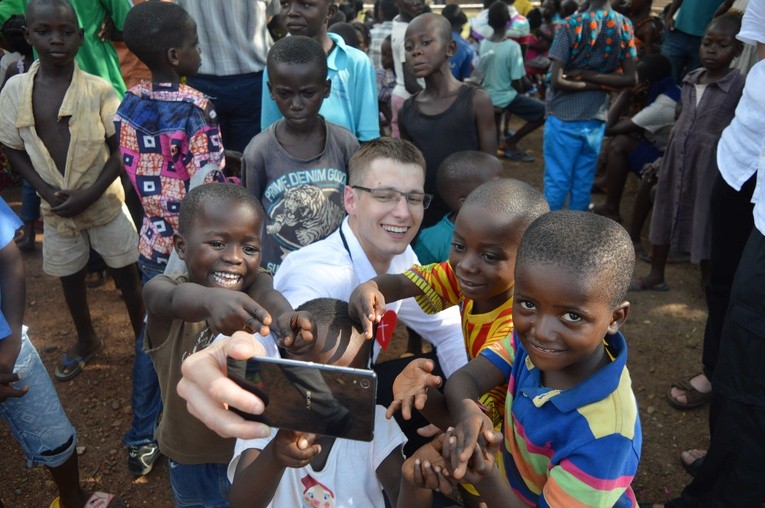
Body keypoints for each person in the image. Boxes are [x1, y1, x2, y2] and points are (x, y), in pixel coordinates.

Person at [176, 138, 469, 457]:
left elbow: (450, 329)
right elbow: (272, 347)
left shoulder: (402, 257)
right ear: (350, 199)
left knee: (426, 378)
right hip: (302, 427)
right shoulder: (317, 273)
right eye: (384, 196)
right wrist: (225, 355)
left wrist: (464, 407)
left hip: (351, 390)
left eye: (414, 198)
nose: (403, 213)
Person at [645, 0, 765, 504]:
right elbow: (758, 47)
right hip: (744, 162)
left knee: (750, 348)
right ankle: (723, 453)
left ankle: (730, 477)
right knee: (725, 299)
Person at [442, 211, 641, 506]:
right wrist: (468, 412)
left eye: (572, 316)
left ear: (615, 318)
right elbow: (465, 379)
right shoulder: (526, 345)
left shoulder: (605, 436)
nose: (542, 331)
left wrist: (485, 477)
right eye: (527, 304)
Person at [142, 182, 314, 506]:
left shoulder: (254, 286)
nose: (235, 258)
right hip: (189, 457)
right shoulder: (164, 294)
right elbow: (164, 298)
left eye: (249, 248)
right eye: (218, 243)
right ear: (181, 246)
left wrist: (287, 318)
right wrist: (212, 301)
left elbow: (268, 293)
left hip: (250, 455)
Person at [0, 0, 144, 385]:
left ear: (80, 38)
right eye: (44, 32)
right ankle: (87, 338)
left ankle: (144, 339)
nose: (56, 40)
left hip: (106, 204)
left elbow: (122, 149)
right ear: (28, 36)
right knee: (70, 276)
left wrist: (91, 192)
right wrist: (44, 188)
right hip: (56, 209)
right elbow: (12, 146)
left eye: (66, 32)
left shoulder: (98, 90)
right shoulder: (15, 90)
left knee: (127, 272)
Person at [114, 0, 227, 477]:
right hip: (191, 249)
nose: (201, 51)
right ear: (177, 56)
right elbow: (207, 189)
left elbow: (133, 175)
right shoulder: (198, 110)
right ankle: (193, 432)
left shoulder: (128, 102)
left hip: (151, 242)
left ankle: (142, 436)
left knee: (151, 337)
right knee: (192, 338)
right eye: (196, 44)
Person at [0, 196, 123, 508]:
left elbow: (8, 258)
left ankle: (73, 498)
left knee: (53, 431)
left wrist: (12, 340)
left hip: (6, 346)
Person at [228, 298, 407, 508]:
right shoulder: (265, 418)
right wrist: (275, 457)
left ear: (362, 377)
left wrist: (415, 483)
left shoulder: (375, 423)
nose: (322, 394)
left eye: (341, 380)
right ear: (284, 363)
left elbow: (399, 493)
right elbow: (242, 502)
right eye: (307, 377)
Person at [631, 14, 745, 292]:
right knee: (664, 208)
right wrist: (662, 158)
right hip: (676, 156)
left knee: (705, 218)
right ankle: (656, 275)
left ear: (737, 50)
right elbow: (682, 118)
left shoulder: (738, 86)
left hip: (709, 164)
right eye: (707, 43)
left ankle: (708, 281)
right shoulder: (691, 79)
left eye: (722, 45)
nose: (711, 50)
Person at [243, 35, 359, 274]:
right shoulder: (259, 152)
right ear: (271, 91)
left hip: (336, 269)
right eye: (285, 93)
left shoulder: (345, 144)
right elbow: (249, 222)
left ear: (325, 89)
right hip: (278, 272)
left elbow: (358, 209)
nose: (296, 104)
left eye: (307, 93)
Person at [399, 13, 497, 228]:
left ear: (450, 49)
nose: (416, 51)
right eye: (409, 47)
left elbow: (491, 169)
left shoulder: (476, 101)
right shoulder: (407, 111)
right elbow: (409, 172)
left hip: (468, 218)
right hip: (425, 220)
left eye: (426, 42)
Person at [542, 0, 637, 211]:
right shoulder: (624, 24)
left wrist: (586, 77)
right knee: (582, 183)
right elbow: (631, 79)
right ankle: (578, 237)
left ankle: (545, 236)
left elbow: (557, 80)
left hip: (563, 116)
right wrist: (597, 82)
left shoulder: (571, 24)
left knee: (557, 181)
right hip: (595, 118)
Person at [260, 0, 379, 142]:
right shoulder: (275, 66)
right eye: (285, 4)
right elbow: (269, 135)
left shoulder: (355, 63)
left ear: (330, 11)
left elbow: (368, 138)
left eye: (305, 5)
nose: (291, 12)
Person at [175, 0, 278, 153]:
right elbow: (273, 15)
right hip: (253, 81)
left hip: (202, 80)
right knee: (254, 155)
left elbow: (178, 20)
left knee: (209, 158)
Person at [592, 54, 680, 222]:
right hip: (665, 152)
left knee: (620, 144)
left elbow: (608, 128)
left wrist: (625, 94)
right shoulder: (671, 89)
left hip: (667, 163)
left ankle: (611, 208)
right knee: (625, 131)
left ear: (644, 85)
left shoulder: (662, 106)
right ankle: (605, 182)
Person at [0, 0, 131, 96]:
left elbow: (131, 26)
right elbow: (130, 26)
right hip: (57, 87)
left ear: (80, 35)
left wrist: (110, 26)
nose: (57, 40)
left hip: (99, 86)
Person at [480, 1, 546, 163]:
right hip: (506, 96)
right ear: (509, 21)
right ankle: (512, 141)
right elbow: (518, 82)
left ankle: (492, 158)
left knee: (493, 129)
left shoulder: (484, 44)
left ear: (489, 22)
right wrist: (526, 91)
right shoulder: (512, 47)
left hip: (487, 96)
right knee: (542, 112)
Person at [412, 151, 503, 265]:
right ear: (466, 203)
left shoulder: (505, 225)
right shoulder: (433, 241)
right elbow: (417, 278)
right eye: (495, 187)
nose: (505, 188)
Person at [662, 0, 726, 83]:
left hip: (705, 40)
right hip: (678, 30)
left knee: (692, 81)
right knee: (666, 75)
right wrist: (669, 16)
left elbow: (728, 4)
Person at [390, 0, 426, 139]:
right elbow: (410, 82)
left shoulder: (399, 22)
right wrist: (434, 100)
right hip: (409, 97)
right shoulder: (406, 33)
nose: (418, 2)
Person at [441, 4, 474, 81]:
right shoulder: (467, 48)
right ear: (461, 24)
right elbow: (465, 79)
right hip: (454, 90)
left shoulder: (431, 41)